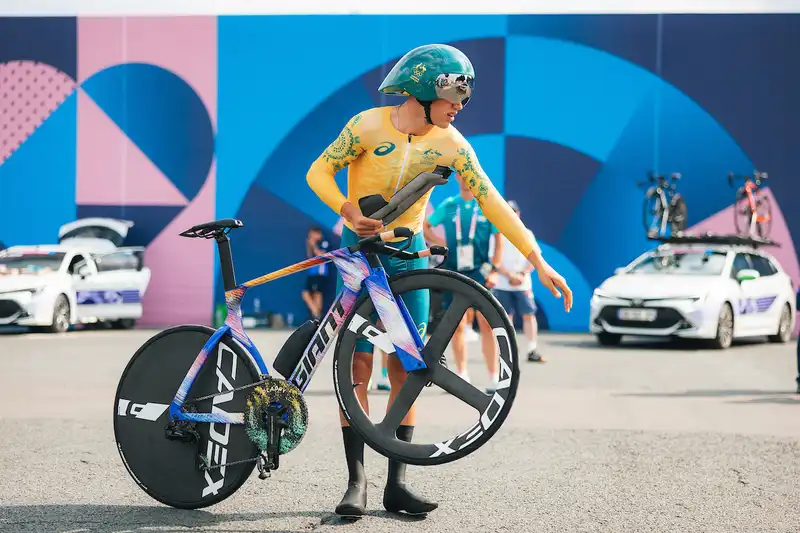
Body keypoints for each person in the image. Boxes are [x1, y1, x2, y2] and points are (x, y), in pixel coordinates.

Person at [305, 43, 572, 518]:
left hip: (409, 262)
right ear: (427, 88)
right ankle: (356, 483)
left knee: (408, 370)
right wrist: (347, 210)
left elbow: (490, 200)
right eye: (455, 96)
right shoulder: (366, 126)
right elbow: (318, 172)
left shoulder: (452, 143)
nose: (461, 107)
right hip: (362, 259)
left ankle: (397, 483)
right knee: (357, 371)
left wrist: (538, 258)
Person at [424, 173, 504, 393]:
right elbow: (426, 226)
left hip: (481, 271)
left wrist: (495, 269)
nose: (467, 180)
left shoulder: (486, 206)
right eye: (463, 175)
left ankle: (493, 376)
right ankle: (462, 374)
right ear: (458, 177)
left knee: (487, 324)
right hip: (455, 271)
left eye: (471, 176)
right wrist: (443, 244)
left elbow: (498, 241)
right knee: (456, 325)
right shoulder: (450, 205)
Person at [490, 200, 543, 363]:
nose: (512, 215)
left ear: (518, 214)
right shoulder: (497, 234)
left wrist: (520, 274)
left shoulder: (527, 234)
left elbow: (535, 258)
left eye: (514, 211)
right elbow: (493, 258)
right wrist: (509, 275)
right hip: (502, 283)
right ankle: (508, 351)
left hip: (522, 283)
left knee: (529, 315)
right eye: (508, 211)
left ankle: (532, 349)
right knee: (506, 317)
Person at [300, 226, 329, 321]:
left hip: (320, 273)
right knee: (310, 294)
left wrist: (313, 245)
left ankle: (317, 316)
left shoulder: (324, 242)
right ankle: (316, 316)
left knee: (316, 294)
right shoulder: (315, 243)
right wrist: (309, 245)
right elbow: (309, 256)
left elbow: (322, 256)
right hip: (312, 272)